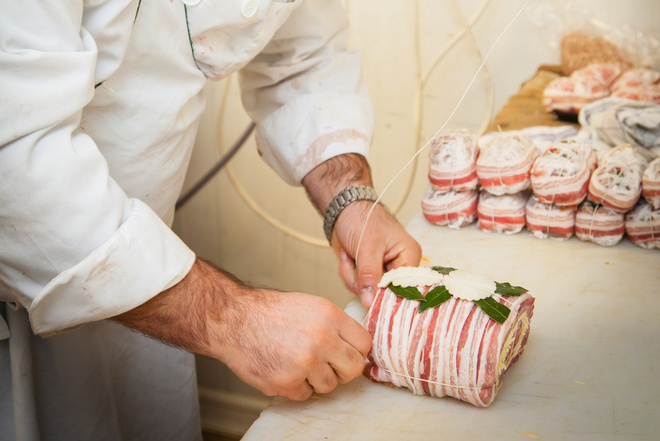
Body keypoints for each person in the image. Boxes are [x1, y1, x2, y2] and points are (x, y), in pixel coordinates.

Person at [0, 0, 421, 440]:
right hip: (25, 301)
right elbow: (16, 169)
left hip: (153, 289)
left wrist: (349, 198)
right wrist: (233, 320)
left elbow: (297, 56)